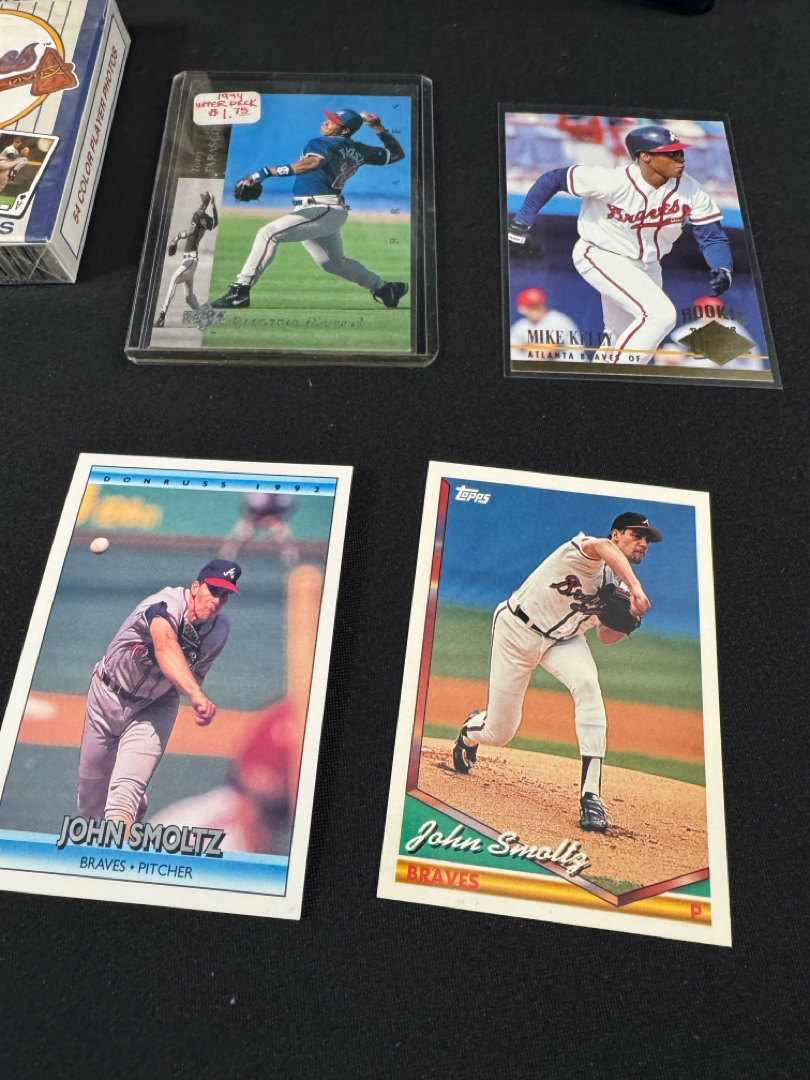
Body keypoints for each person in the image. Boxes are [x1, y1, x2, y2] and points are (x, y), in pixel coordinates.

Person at [453, 512, 660, 833]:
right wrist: (636, 587)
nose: (643, 543)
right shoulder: (587, 552)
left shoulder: (619, 589)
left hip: (564, 641)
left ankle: (591, 797)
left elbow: (605, 636)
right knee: (500, 732)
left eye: (647, 540)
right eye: (637, 535)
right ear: (616, 535)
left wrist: (630, 619)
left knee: (588, 685)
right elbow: (602, 547)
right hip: (517, 630)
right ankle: (470, 731)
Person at [508, 124, 734, 365]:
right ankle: (617, 376)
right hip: (602, 254)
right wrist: (522, 220)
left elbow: (712, 235)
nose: (679, 157)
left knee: (622, 336)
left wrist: (722, 265)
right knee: (660, 315)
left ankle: (600, 375)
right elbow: (553, 179)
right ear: (645, 157)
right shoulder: (613, 180)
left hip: (649, 264)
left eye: (679, 151)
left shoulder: (692, 190)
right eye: (670, 153)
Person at [77, 559, 242, 830]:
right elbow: (165, 645)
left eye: (224, 595)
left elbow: (190, 677)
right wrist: (196, 694)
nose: (216, 600)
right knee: (91, 803)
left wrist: (192, 690)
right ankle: (133, 803)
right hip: (107, 696)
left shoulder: (218, 631)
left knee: (120, 803)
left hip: (155, 707)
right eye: (213, 590)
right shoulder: (164, 604)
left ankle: (127, 813)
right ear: (196, 587)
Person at [211, 108, 408, 311]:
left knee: (268, 234)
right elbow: (396, 154)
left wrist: (266, 172)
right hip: (327, 211)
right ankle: (386, 289)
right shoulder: (359, 149)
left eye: (333, 121)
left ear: (344, 130)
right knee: (333, 263)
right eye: (329, 118)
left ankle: (240, 291)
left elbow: (314, 162)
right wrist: (379, 128)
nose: (326, 122)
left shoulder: (322, 143)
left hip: (321, 208)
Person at [154, 191, 218, 328]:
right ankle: (205, 318)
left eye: (200, 199)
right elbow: (215, 224)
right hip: (192, 260)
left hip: (190, 260)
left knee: (174, 279)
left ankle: (162, 316)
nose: (198, 201)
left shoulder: (197, 214)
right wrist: (213, 206)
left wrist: (177, 237)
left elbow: (192, 231)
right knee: (189, 297)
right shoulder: (206, 217)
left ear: (202, 202)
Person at [653, 295, 766, 371]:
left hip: (744, 375)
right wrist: (669, 356)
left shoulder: (731, 327)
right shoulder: (693, 328)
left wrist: (682, 359)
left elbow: (710, 363)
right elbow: (668, 352)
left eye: (713, 310)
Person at [219, 492, 298, 566]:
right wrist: (258, 519)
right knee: (240, 532)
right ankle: (225, 559)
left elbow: (286, 512)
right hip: (253, 519)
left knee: (284, 535)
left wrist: (271, 519)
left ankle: (291, 562)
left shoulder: (285, 498)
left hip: (273, 520)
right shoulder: (255, 496)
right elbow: (245, 510)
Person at [509, 286, 582, 361]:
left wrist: (525, 348)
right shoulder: (521, 325)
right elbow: (510, 350)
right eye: (532, 306)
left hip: (574, 366)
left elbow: (544, 352)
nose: (537, 309)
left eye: (539, 304)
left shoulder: (558, 320)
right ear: (522, 309)